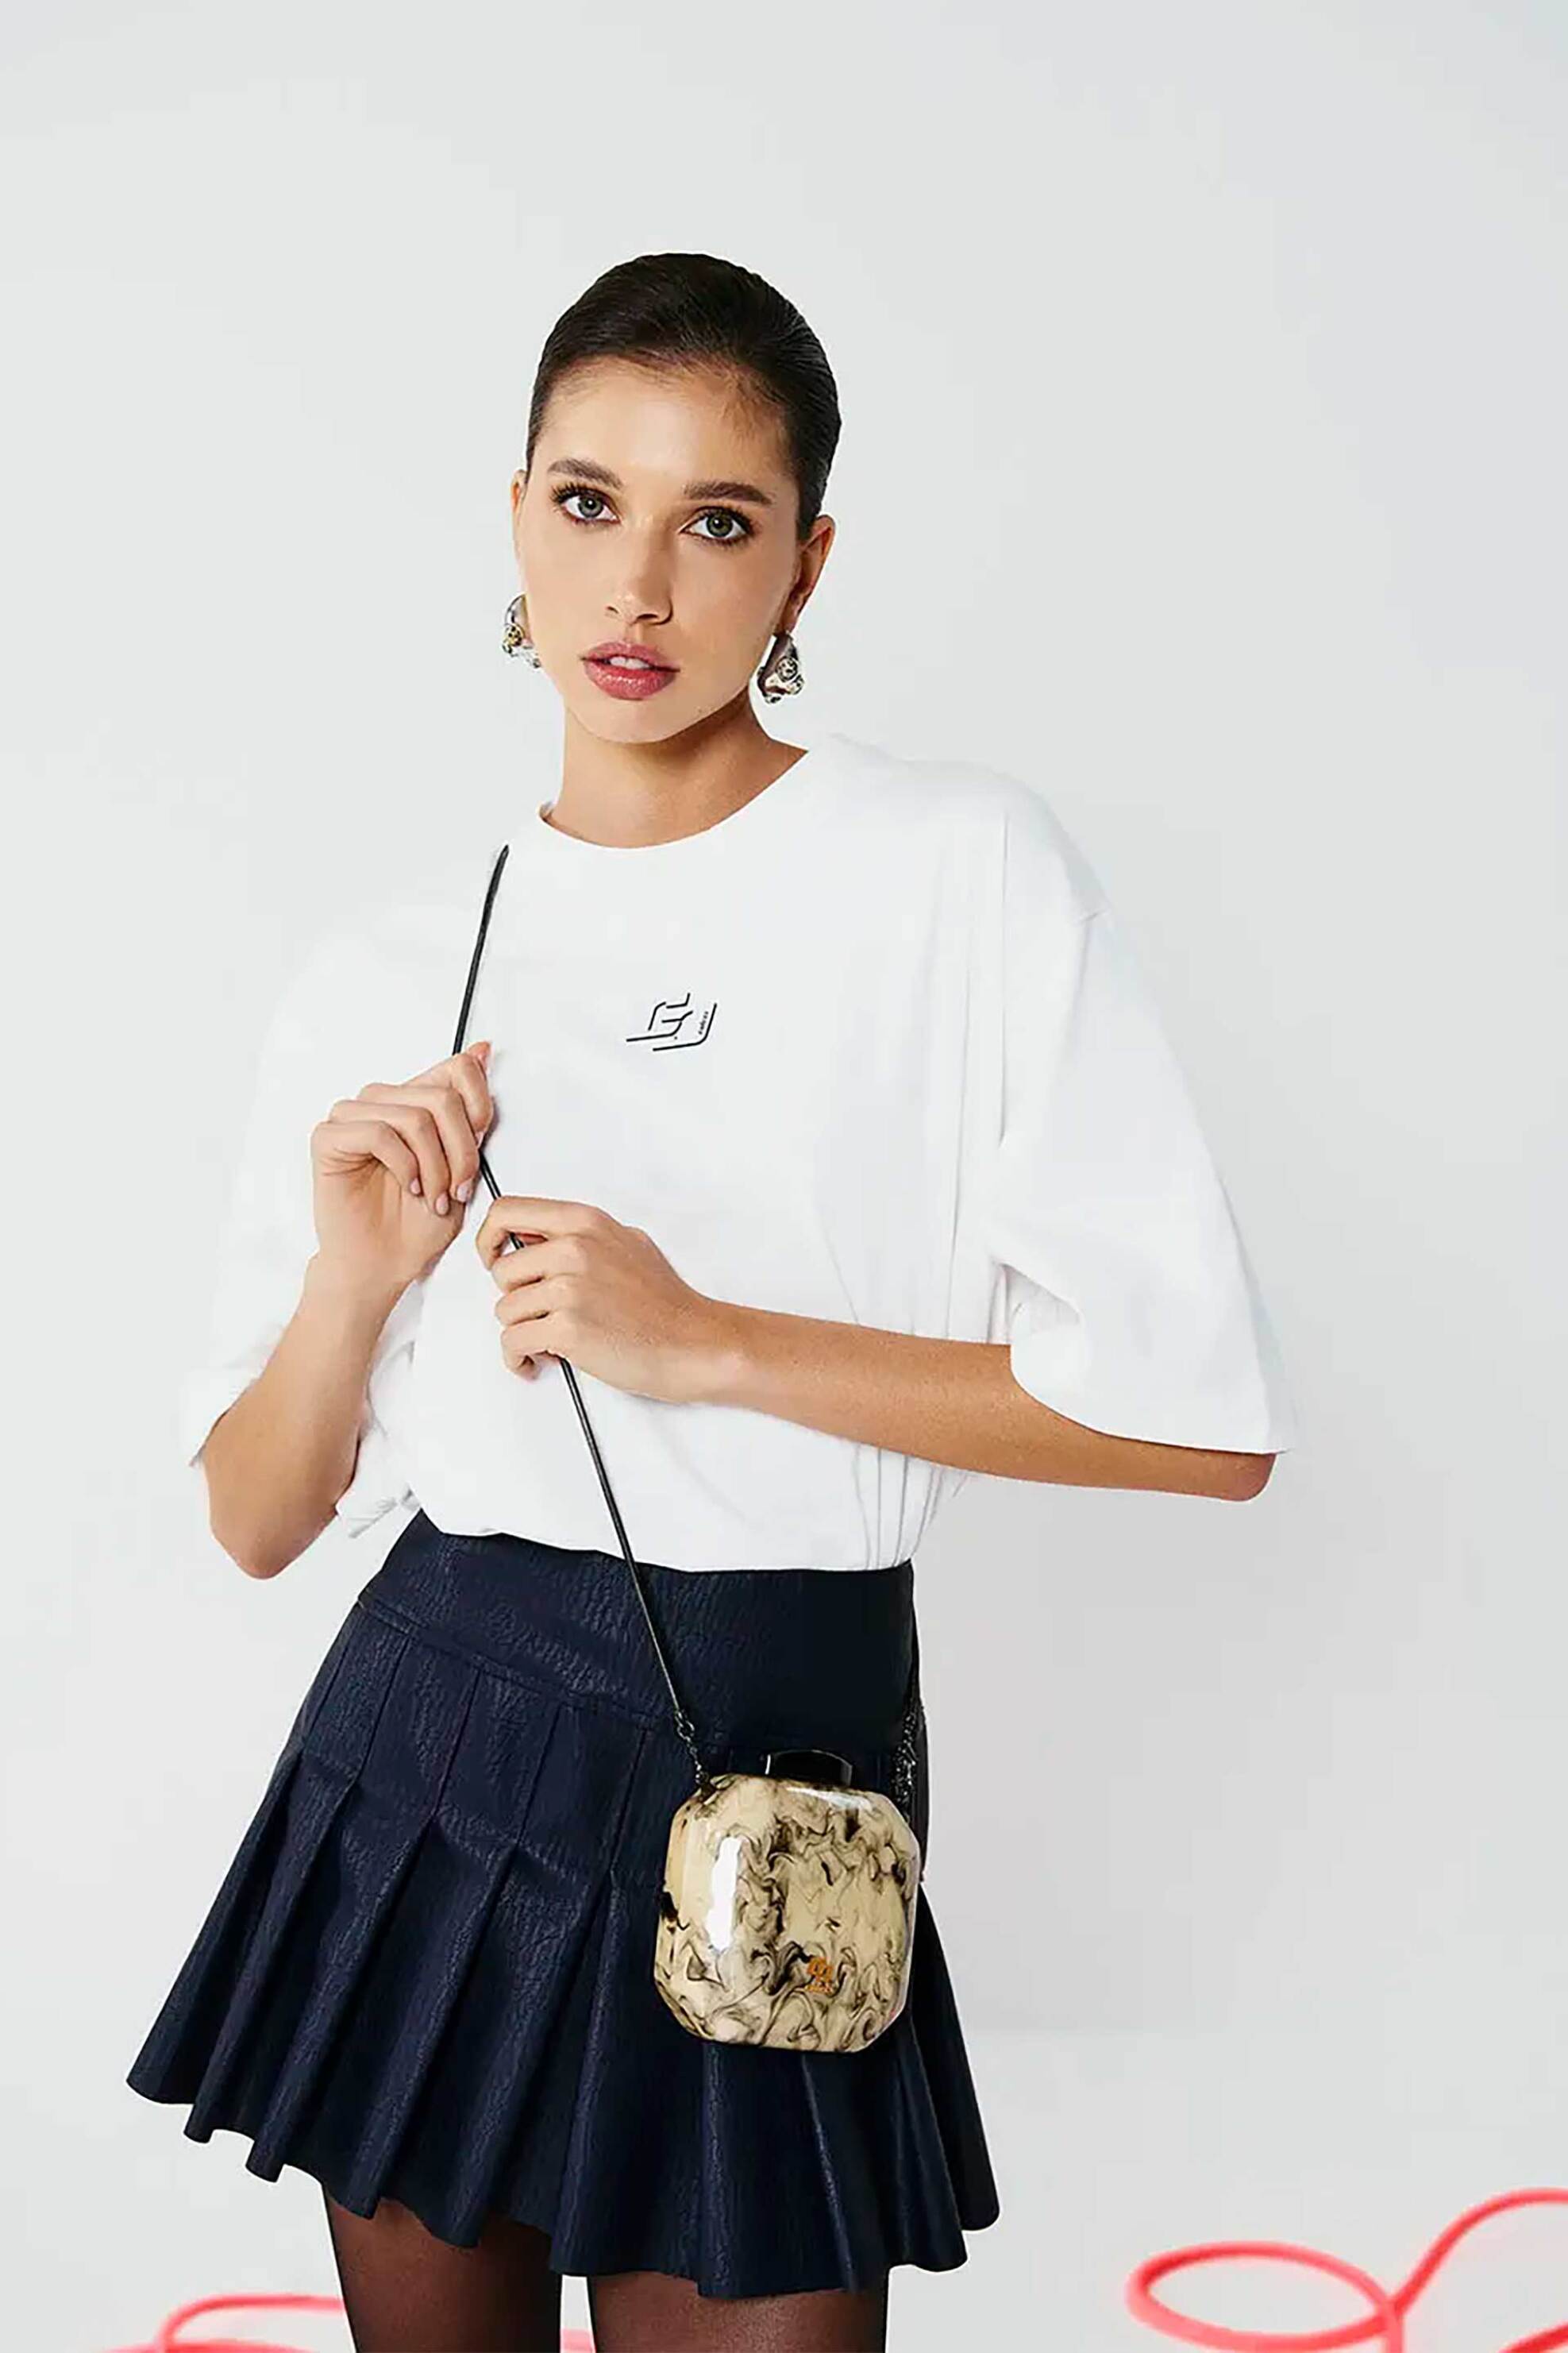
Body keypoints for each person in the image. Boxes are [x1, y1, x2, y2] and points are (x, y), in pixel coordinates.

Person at [125, 250, 1298, 2353]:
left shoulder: (956, 872)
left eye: (719, 521)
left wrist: (710, 1344)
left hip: (781, 1763)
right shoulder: (391, 961)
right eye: (589, 502)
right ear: (515, 517)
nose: (640, 586)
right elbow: (254, 1515)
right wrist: (358, 1280)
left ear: (807, 563)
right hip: (440, 1751)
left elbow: (1201, 1427)